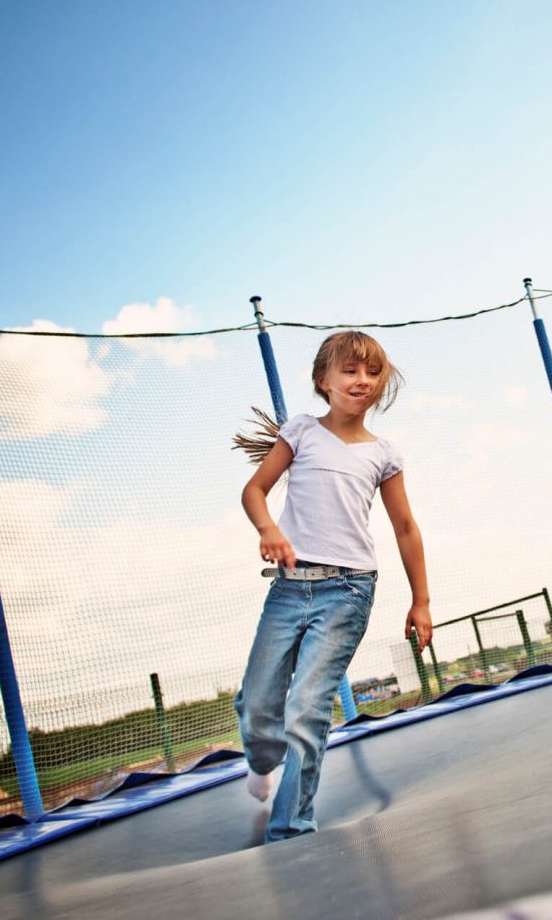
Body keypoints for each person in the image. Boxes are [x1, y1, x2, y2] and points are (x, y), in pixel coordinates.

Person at [233, 330, 433, 842]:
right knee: (260, 703)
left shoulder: (384, 453)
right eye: (349, 371)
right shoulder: (300, 432)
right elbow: (255, 490)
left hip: (348, 591)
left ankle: (292, 827)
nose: (361, 380)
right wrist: (269, 530)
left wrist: (421, 600)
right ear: (324, 381)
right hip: (289, 588)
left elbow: (406, 528)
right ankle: (261, 757)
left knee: (307, 706)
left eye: (371, 372)